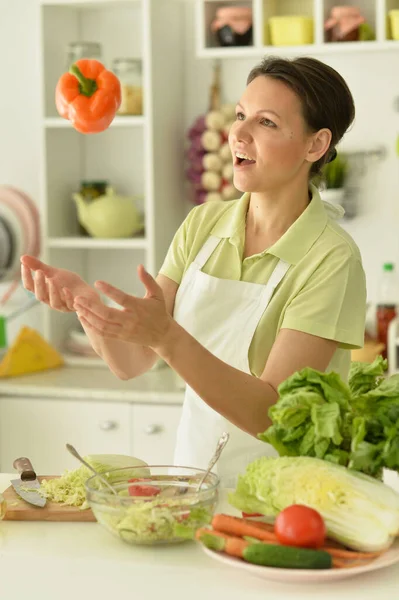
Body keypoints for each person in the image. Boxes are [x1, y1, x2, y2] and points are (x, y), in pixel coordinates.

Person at [21, 56, 366, 487]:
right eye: (240, 115)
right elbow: (133, 360)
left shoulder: (331, 259)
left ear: (315, 146)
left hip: (288, 502)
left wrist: (166, 335)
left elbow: (272, 413)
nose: (237, 133)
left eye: (267, 122)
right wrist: (83, 300)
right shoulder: (203, 225)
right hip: (193, 488)